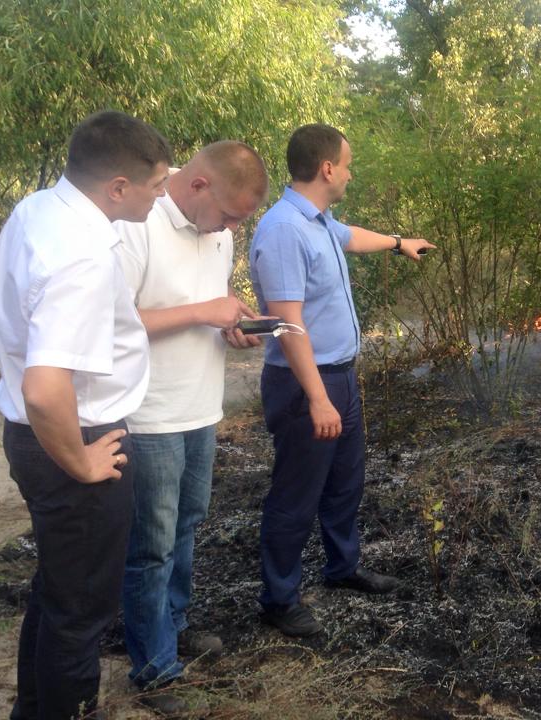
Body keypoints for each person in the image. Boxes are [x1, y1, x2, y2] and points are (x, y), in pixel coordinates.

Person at [0, 111, 171, 720]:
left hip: (33, 434)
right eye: (156, 184)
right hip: (73, 437)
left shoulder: (38, 210)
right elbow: (46, 389)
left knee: (58, 592)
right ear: (118, 187)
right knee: (81, 613)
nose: (163, 194)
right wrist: (82, 461)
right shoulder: (82, 256)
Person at [249, 123, 435, 637]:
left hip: (339, 379)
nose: (351, 173)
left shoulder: (319, 222)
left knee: (343, 484)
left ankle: (342, 568)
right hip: (305, 384)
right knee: (296, 494)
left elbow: (351, 238)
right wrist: (317, 398)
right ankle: (279, 599)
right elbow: (288, 325)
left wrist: (400, 242)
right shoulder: (285, 229)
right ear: (327, 168)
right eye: (348, 164)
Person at [113, 141, 269, 713]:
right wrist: (207, 312)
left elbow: (207, 301)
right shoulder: (137, 219)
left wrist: (234, 318)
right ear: (198, 185)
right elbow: (113, 321)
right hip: (147, 411)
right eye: (229, 215)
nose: (230, 229)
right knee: (151, 544)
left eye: (238, 222)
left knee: (188, 524)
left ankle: (171, 627)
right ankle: (153, 667)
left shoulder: (218, 229)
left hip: (201, 405)